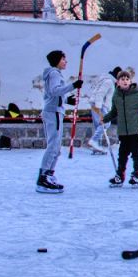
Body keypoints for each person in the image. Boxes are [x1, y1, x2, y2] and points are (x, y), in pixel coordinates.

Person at [103, 67, 138, 186]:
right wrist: (104, 119)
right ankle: (120, 174)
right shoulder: (116, 96)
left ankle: (136, 174)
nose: (125, 81)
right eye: (122, 79)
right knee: (122, 153)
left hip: (135, 130)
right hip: (123, 131)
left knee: (135, 153)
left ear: (130, 81)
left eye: (127, 79)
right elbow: (114, 111)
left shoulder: (137, 94)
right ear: (118, 82)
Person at [36, 50, 82, 193]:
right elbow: (55, 91)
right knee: (53, 146)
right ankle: (43, 178)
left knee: (56, 147)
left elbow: (50, 93)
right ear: (57, 60)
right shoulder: (54, 73)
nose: (66, 61)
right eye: (63, 59)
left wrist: (67, 100)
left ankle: (49, 174)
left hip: (56, 111)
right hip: (53, 112)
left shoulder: (54, 74)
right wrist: (73, 86)